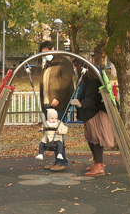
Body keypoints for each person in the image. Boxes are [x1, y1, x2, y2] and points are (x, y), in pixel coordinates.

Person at [71, 60, 115, 176]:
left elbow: (93, 97)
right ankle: (96, 162)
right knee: (90, 138)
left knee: (96, 139)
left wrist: (81, 104)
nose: (74, 69)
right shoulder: (84, 79)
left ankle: (99, 165)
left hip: (95, 112)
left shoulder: (92, 79)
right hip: (88, 112)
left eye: (75, 67)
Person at [39, 40, 75, 171]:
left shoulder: (63, 62)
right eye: (43, 53)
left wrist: (58, 98)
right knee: (51, 132)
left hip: (58, 103)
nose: (46, 55)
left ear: (53, 48)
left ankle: (62, 161)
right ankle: (57, 160)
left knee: (58, 131)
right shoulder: (48, 65)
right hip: (48, 102)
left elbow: (66, 81)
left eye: (47, 51)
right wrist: (43, 104)